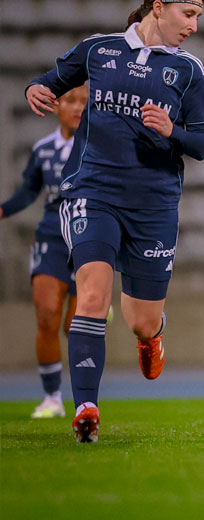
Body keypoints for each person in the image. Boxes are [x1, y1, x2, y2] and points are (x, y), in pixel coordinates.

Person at [24, 0, 204, 443]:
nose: (193, 25)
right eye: (188, 14)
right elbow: (51, 81)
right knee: (92, 295)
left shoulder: (188, 70)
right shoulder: (99, 50)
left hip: (154, 203)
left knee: (141, 319)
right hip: (94, 191)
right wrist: (37, 88)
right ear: (158, 7)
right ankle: (86, 406)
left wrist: (173, 131)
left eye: (198, 17)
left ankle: (152, 336)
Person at [1, 85, 88, 419]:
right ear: (56, 106)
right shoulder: (43, 149)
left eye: (84, 101)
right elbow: (27, 192)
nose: (78, 107)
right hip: (52, 236)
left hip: (87, 236)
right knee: (47, 314)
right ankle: (52, 397)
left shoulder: (100, 147)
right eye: (70, 100)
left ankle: (85, 399)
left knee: (76, 327)